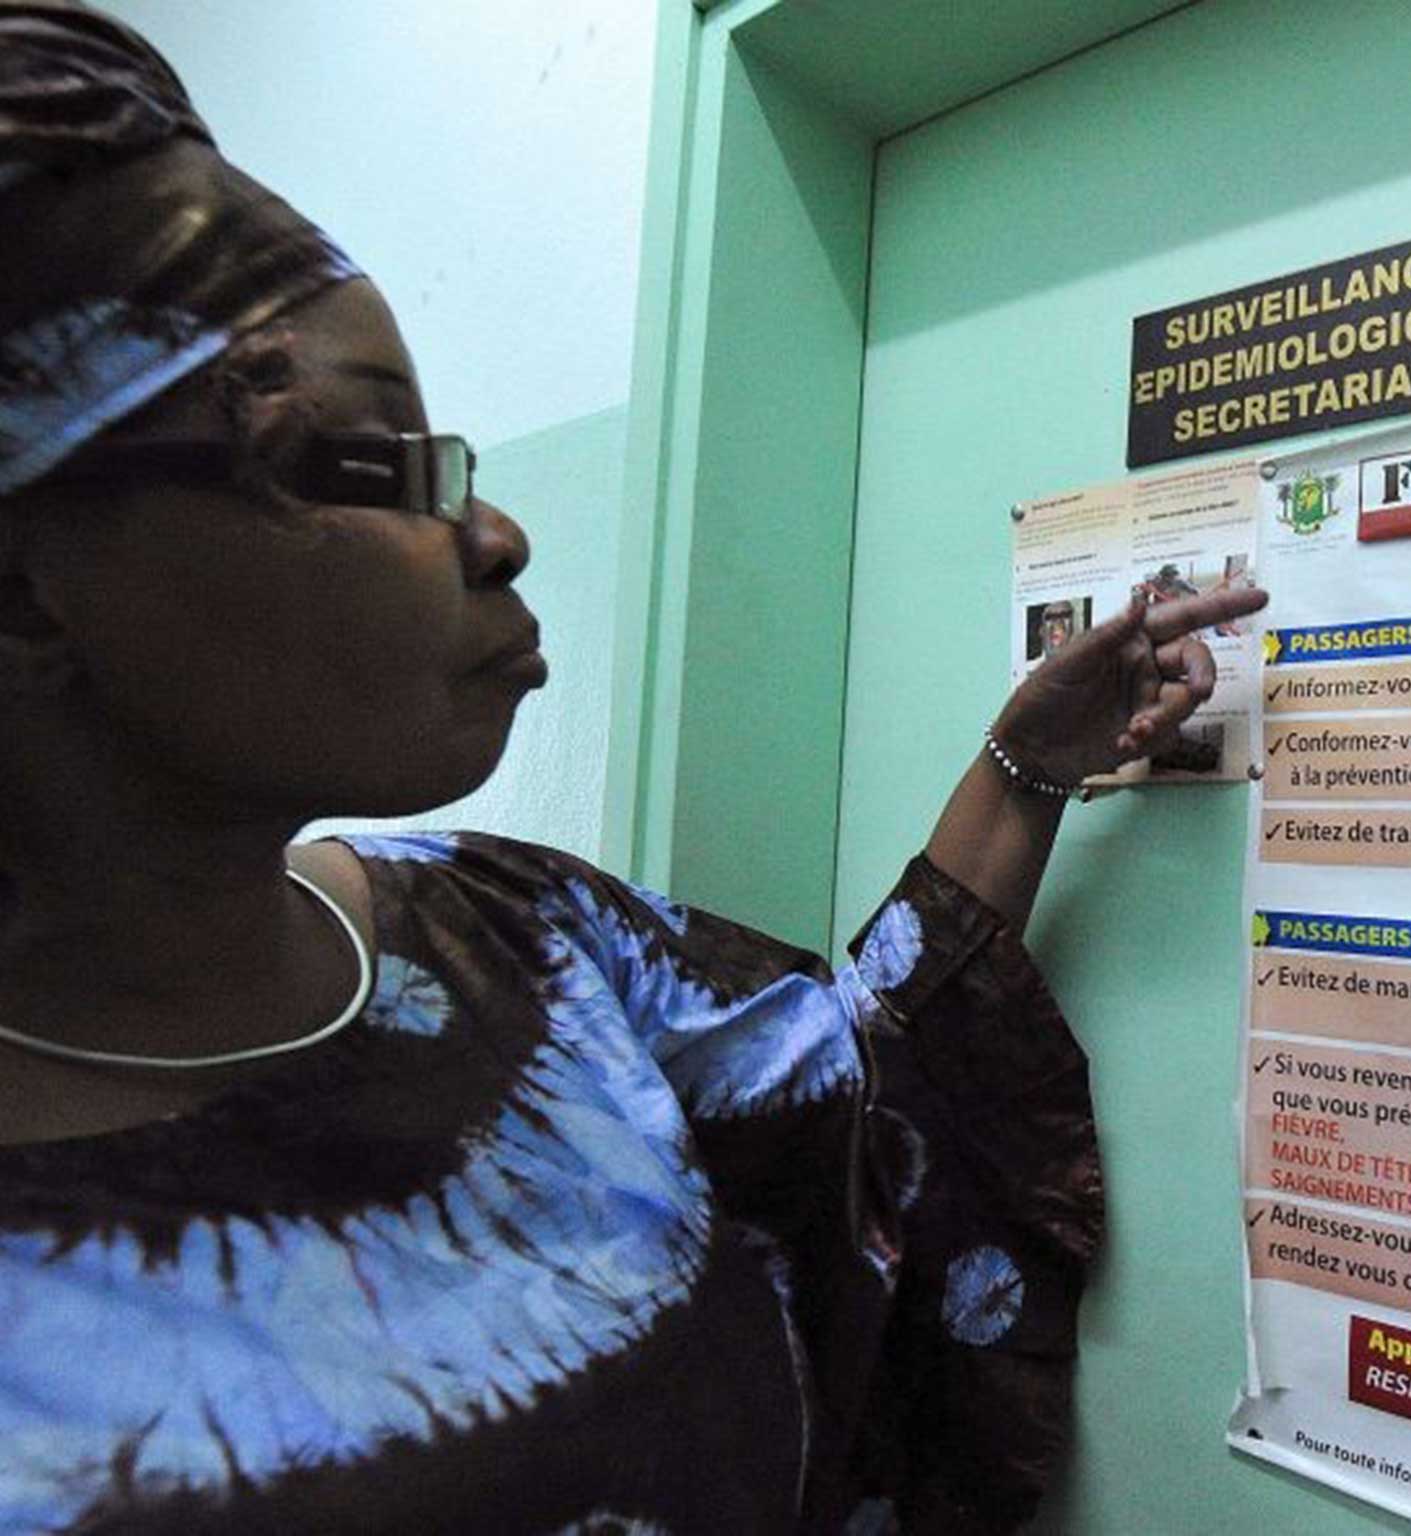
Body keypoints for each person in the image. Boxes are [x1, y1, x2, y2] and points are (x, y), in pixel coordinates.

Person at [0, 6, 1267, 1533]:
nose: (494, 535)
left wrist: (1029, 764)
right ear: (30, 589)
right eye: (360, 457)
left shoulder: (516, 937)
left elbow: (868, 1093)